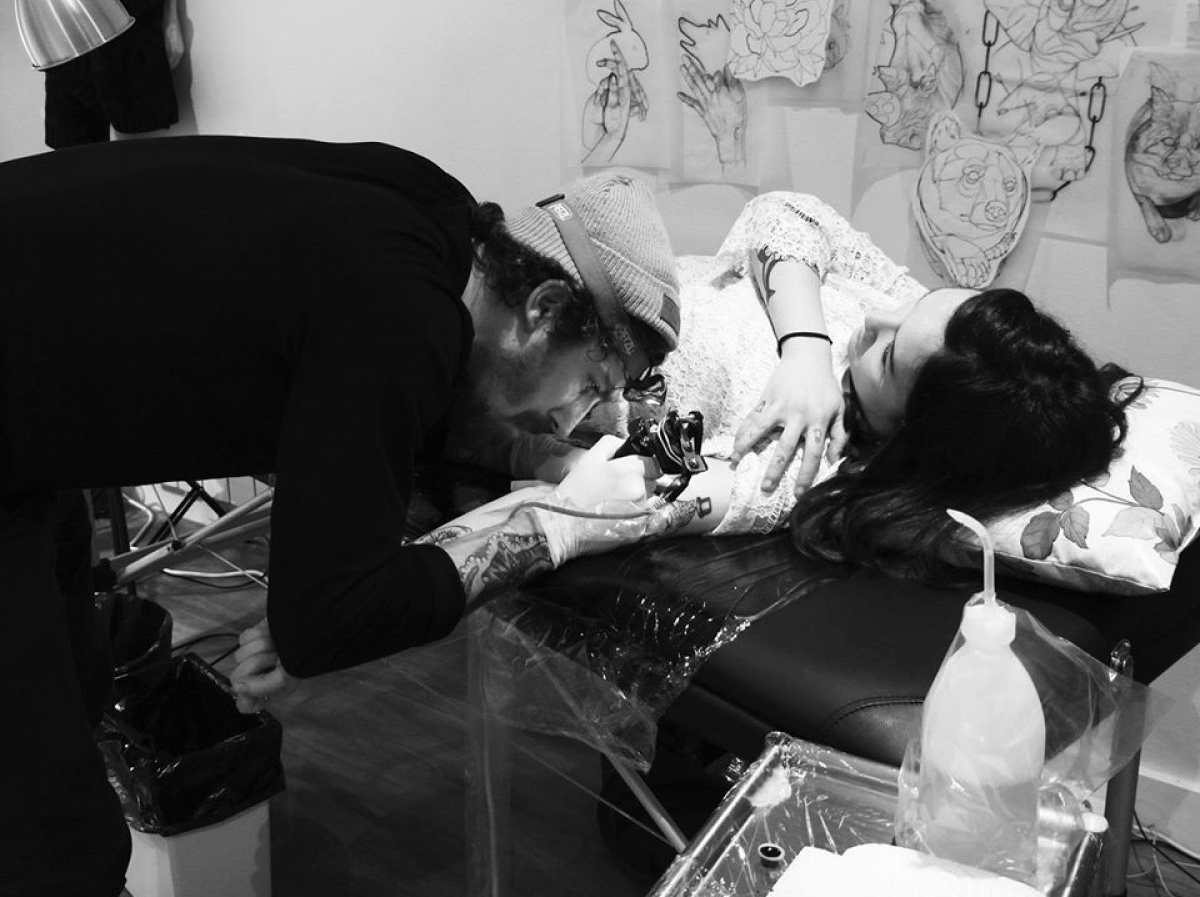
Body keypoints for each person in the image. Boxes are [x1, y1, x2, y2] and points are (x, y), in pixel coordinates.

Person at [0, 135, 685, 897]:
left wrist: (539, 461)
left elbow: (404, 416)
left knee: (76, 680)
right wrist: (557, 527)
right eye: (590, 385)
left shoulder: (433, 218)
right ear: (543, 307)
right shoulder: (401, 309)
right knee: (53, 838)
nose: (577, 420)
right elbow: (324, 620)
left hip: (32, 433)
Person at [479, 191, 1136, 580]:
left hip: (532, 385)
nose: (877, 319)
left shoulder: (804, 456)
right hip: (555, 311)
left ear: (903, 433)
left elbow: (653, 493)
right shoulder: (921, 329)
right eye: (914, 304)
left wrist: (528, 453)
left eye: (885, 358)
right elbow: (785, 212)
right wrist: (806, 350)